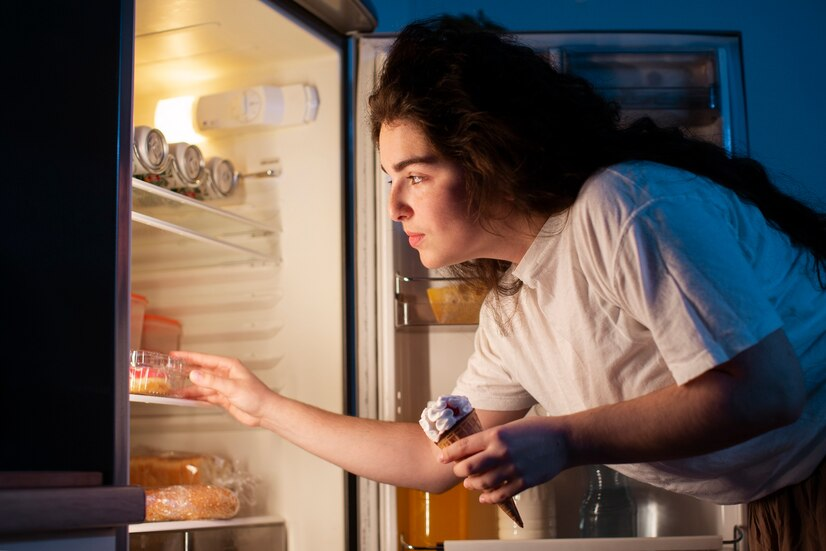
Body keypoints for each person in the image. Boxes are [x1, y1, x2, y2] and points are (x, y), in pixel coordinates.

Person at [175, 15, 826, 550]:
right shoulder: (514, 313)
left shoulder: (623, 206)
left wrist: (566, 438)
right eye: (389, 179)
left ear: (486, 157)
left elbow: (769, 389)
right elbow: (434, 460)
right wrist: (264, 406)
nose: (395, 206)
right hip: (776, 499)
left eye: (416, 175)